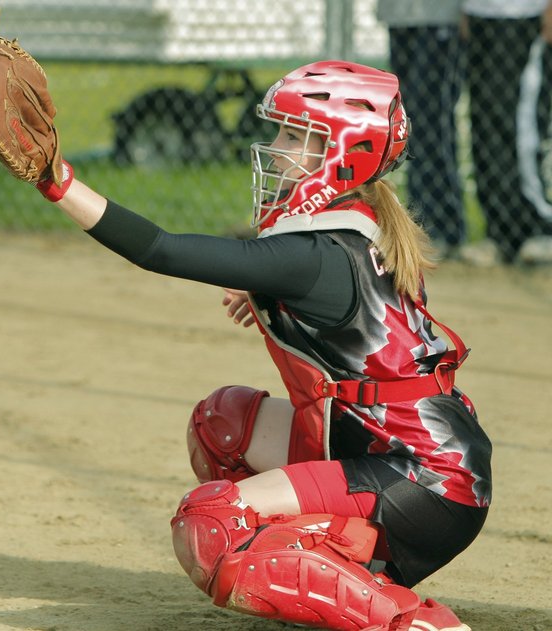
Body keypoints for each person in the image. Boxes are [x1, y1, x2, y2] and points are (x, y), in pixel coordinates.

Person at [30, 62, 494, 630]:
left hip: (421, 479)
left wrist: (59, 184)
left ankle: (414, 623)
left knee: (212, 523)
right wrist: (282, 304)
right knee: (220, 423)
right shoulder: (361, 217)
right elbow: (355, 319)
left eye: (295, 136)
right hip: (396, 452)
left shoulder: (318, 251)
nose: (275, 150)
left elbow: (162, 251)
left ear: (346, 151)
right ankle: (335, 569)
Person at [462, 0, 552, 265]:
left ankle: (540, 226)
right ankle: (500, 233)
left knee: (523, 123)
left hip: (526, 14)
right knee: (484, 121)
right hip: (481, 13)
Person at [376, 0, 468, 259]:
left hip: (441, 15)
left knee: (431, 121)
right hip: (399, 15)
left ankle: (445, 227)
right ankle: (420, 223)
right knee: (406, 120)